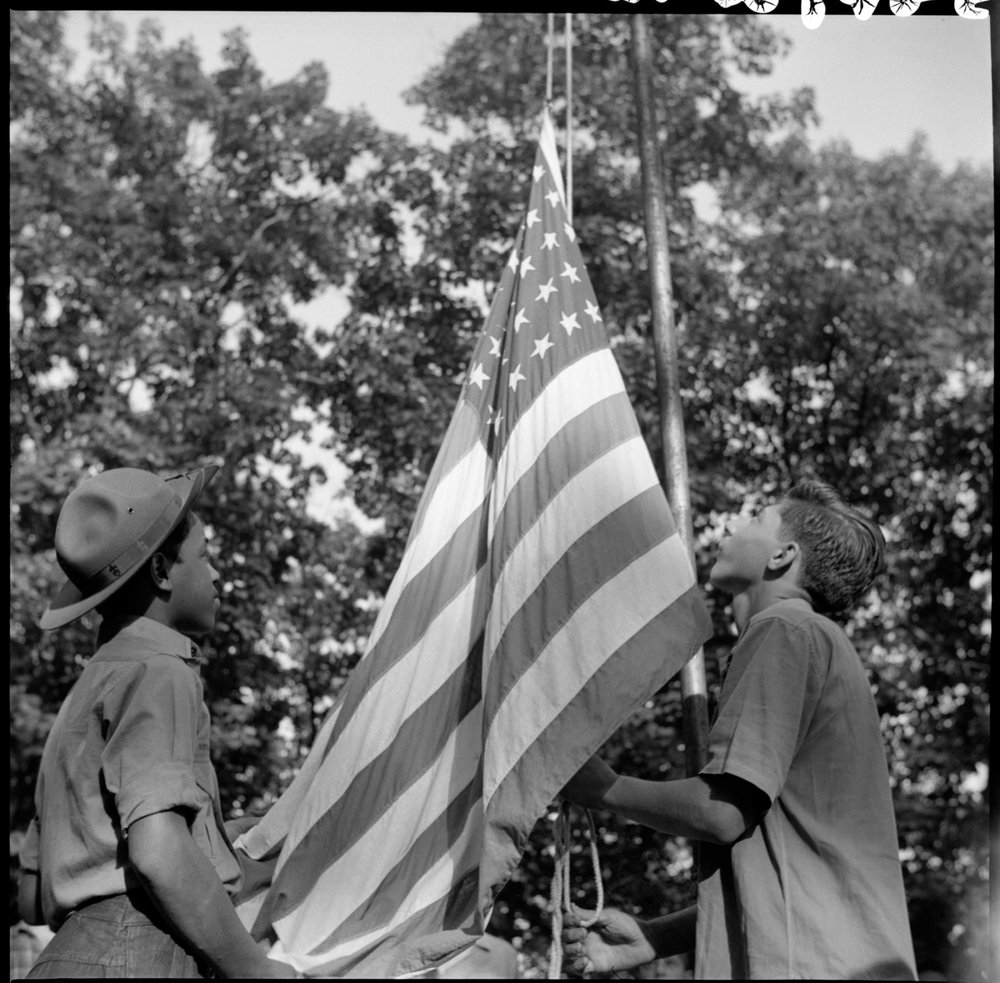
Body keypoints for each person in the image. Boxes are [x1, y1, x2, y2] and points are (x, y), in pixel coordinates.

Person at [560, 480, 917, 980]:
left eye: (755, 519)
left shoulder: (786, 630)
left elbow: (722, 814)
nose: (732, 526)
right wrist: (652, 938)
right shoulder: (808, 638)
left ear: (782, 555)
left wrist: (606, 789)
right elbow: (778, 874)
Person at [17, 466, 297, 979]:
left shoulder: (85, 695)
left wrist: (222, 836)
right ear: (163, 571)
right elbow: (157, 850)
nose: (216, 575)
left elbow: (33, 898)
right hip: (140, 954)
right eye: (206, 556)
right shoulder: (161, 672)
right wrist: (255, 971)